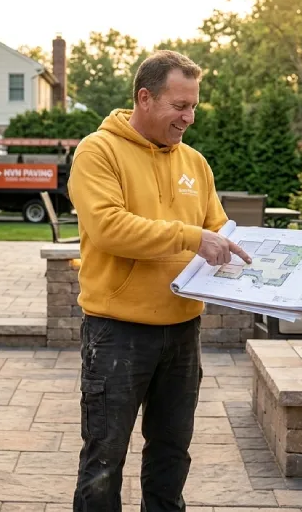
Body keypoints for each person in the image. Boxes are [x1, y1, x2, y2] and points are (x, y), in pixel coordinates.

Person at [67, 50, 251, 512]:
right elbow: (109, 227)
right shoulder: (98, 151)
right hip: (117, 333)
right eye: (179, 106)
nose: (188, 117)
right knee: (104, 459)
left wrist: (263, 269)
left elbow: (219, 231)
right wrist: (192, 238)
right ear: (144, 98)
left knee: (172, 453)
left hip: (183, 331)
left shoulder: (195, 163)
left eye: (193, 106)